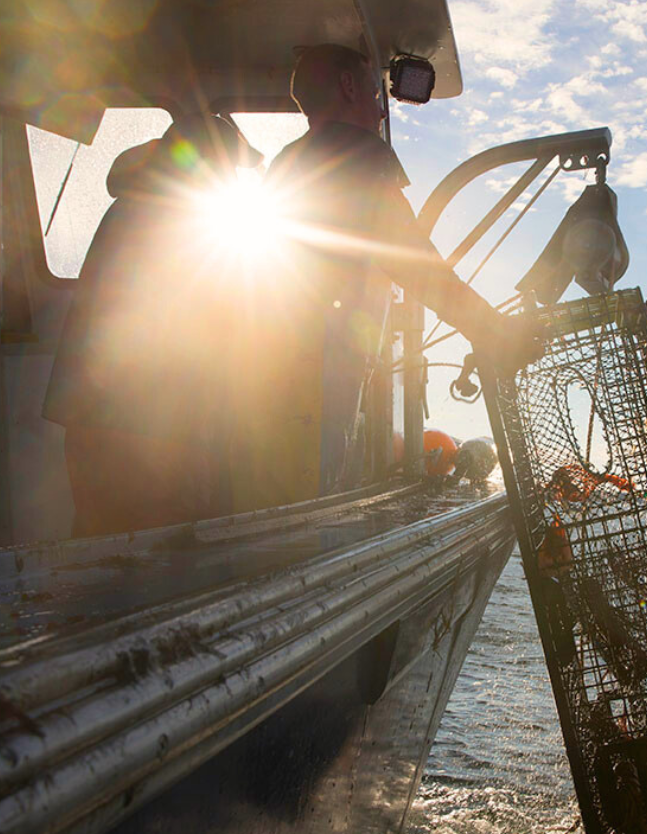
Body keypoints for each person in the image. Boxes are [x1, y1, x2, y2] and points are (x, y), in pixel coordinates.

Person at [225, 43, 542, 507]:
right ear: (348, 87)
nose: (380, 109)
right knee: (295, 521)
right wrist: (495, 332)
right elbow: (417, 265)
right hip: (309, 397)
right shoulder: (356, 157)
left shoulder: (289, 162)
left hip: (265, 385)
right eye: (376, 93)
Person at [44, 115, 261, 536]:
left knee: (98, 547)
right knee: (165, 556)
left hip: (94, 424)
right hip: (152, 429)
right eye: (230, 166)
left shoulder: (133, 208)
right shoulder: (179, 221)